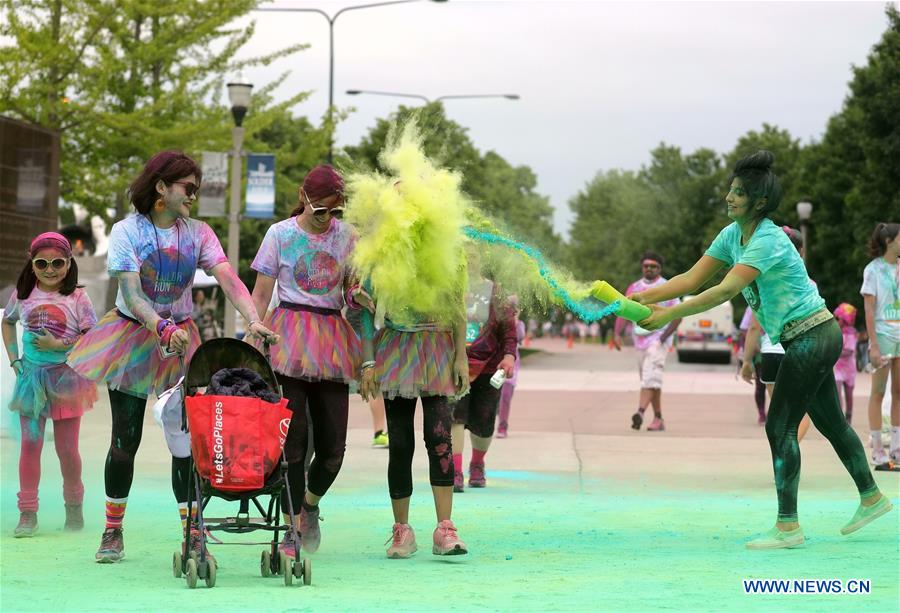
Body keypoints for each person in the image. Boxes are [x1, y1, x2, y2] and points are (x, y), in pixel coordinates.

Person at [634, 151, 891, 549]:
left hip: (813, 335)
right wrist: (636, 297)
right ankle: (872, 497)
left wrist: (671, 315)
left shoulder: (768, 239)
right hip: (807, 338)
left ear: (759, 202)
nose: (729, 198)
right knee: (830, 422)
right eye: (731, 190)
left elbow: (723, 290)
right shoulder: (731, 234)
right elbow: (689, 278)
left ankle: (788, 527)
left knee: (780, 425)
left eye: (738, 193)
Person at [67, 151, 277, 563]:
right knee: (125, 441)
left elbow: (228, 278)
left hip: (183, 342)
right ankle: (112, 530)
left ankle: (192, 531)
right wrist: (160, 327)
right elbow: (130, 292)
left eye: (196, 190)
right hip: (133, 338)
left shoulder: (197, 233)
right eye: (188, 188)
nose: (193, 197)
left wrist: (252, 319)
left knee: (187, 443)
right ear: (162, 187)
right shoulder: (128, 231)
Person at [250, 164, 363, 557]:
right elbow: (261, 293)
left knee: (334, 448)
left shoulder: (349, 237)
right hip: (287, 338)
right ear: (304, 197)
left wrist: (359, 296)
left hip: (333, 339)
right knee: (293, 447)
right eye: (320, 210)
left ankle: (310, 505)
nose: (327, 219)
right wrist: (252, 330)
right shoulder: (279, 234)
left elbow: (351, 290)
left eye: (335, 211)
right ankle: (292, 528)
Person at [2, 233, 97, 537]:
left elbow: (92, 337)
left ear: (69, 263)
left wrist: (60, 343)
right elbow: (8, 321)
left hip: (67, 380)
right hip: (31, 379)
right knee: (30, 445)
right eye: (42, 263)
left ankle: (73, 509)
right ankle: (27, 513)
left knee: (67, 450)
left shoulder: (78, 298)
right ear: (32, 264)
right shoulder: (23, 295)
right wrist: (15, 360)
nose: (50, 269)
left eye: (58, 262)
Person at [451, 279, 517, 492]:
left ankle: (477, 464)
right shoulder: (449, 284)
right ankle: (456, 471)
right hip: (455, 363)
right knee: (455, 417)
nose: (469, 256)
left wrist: (509, 356)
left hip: (490, 365)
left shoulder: (495, 290)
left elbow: (509, 328)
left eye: (473, 251)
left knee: (485, 421)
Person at [613, 251, 682, 431]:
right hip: (640, 339)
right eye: (646, 266)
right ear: (642, 267)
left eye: (653, 266)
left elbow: (677, 315)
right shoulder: (634, 287)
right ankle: (659, 419)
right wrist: (617, 333)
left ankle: (640, 412)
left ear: (659, 268)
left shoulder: (668, 287)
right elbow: (622, 310)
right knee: (650, 380)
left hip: (659, 339)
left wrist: (664, 338)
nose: (649, 269)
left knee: (649, 378)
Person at [861, 222, 900, 465]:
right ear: (889, 241)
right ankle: (877, 450)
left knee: (899, 392)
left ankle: (896, 448)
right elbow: (869, 309)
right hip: (882, 336)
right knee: (878, 392)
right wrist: (873, 345)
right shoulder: (872, 270)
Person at [497, 301, 526, 438]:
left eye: (515, 307)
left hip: (512, 367)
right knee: (493, 397)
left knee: (506, 397)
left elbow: (520, 337)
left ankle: (502, 427)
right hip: (496, 364)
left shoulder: (519, 325)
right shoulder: (497, 322)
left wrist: (514, 321)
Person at [832, 303, 858, 424]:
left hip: (849, 369)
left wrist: (834, 351)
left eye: (837, 318)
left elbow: (849, 351)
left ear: (846, 320)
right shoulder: (835, 331)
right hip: (837, 368)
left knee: (848, 394)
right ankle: (839, 417)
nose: (835, 320)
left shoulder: (851, 334)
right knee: (837, 393)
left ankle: (849, 415)